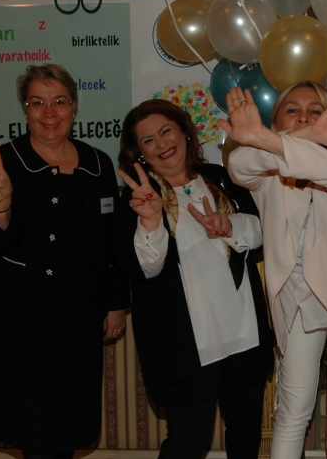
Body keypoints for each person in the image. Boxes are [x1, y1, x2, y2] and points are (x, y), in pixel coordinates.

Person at [0, 64, 127, 459]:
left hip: (79, 314)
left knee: (69, 422)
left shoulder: (97, 163)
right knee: (34, 425)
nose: (49, 113)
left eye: (59, 101)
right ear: (25, 108)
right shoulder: (4, 162)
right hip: (22, 315)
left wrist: (114, 302)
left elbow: (111, 241)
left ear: (74, 106)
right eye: (37, 103)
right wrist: (1, 205)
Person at [221, 82, 327, 458]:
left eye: (315, 110)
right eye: (292, 110)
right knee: (292, 414)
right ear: (275, 122)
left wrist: (301, 140)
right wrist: (308, 136)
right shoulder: (263, 168)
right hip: (295, 299)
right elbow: (239, 165)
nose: (305, 116)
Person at [114, 99, 274, 459]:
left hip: (244, 335)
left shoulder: (221, 177)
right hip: (187, 348)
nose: (161, 144)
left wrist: (228, 225)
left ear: (185, 132)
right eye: (148, 140)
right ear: (139, 153)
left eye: (166, 131)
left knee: (246, 437)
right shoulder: (137, 198)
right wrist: (151, 222)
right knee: (187, 443)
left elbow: (261, 233)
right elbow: (145, 269)